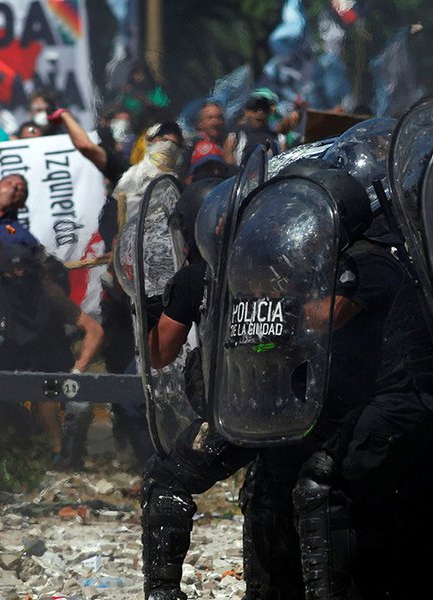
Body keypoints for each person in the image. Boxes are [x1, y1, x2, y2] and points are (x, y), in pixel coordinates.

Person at [290, 169, 433, 598]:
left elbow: (327, 317)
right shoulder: (348, 259)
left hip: (406, 402)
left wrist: (281, 296)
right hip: (384, 401)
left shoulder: (370, 260)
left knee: (326, 480)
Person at [139, 176, 321, 600]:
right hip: (297, 406)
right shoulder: (283, 262)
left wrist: (149, 312)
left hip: (235, 411)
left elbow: (160, 353)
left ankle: (163, 593)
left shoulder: (196, 277)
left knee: (164, 480)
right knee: (273, 486)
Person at [0, 244, 103, 454]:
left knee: (73, 406)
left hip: (51, 353)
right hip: (11, 351)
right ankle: (5, 441)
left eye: (23, 272)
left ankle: (64, 454)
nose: (18, 278)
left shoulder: (50, 293)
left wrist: (78, 370)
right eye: (12, 273)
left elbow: (94, 330)